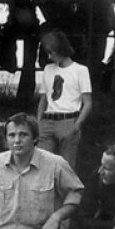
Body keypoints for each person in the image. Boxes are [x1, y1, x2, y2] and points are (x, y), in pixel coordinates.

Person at [36, 30, 92, 169]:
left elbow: (88, 103)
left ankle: (66, 191)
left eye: (52, 52)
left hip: (68, 120)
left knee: (66, 167)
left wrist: (77, 125)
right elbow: (43, 100)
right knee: (42, 164)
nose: (49, 57)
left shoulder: (80, 70)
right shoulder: (48, 69)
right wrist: (38, 122)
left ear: (61, 50)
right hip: (48, 121)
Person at [68, 0, 113, 82]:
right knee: (80, 57)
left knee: (97, 57)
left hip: (99, 24)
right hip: (81, 23)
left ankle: (96, 92)